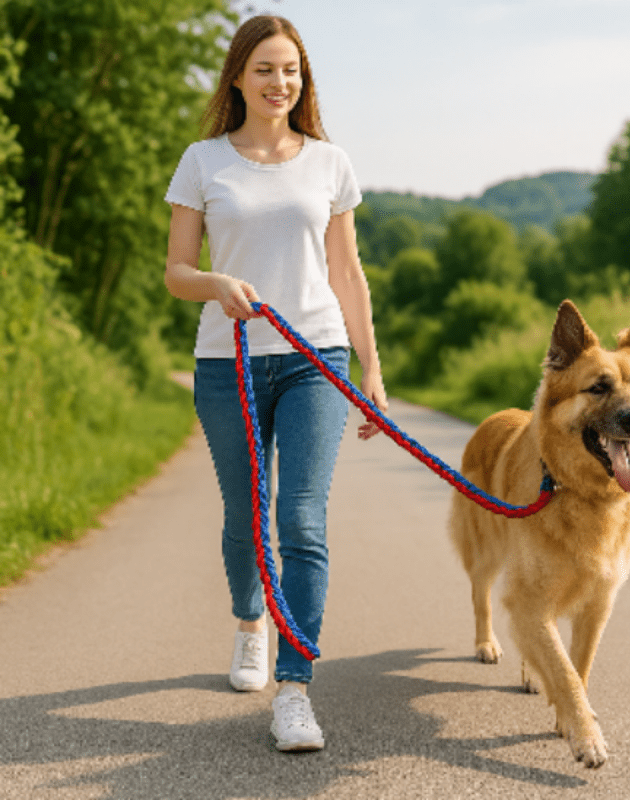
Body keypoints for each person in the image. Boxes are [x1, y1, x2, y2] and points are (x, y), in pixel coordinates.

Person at [164, 15, 387, 752]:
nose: (278, 82)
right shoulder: (202, 161)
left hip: (315, 357)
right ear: (237, 77)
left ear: (303, 80)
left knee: (301, 520)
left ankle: (295, 687)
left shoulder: (329, 163)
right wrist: (217, 282)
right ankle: (250, 622)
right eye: (264, 68)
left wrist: (373, 375)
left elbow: (349, 275)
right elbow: (176, 273)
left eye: (290, 69)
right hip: (226, 362)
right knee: (246, 520)